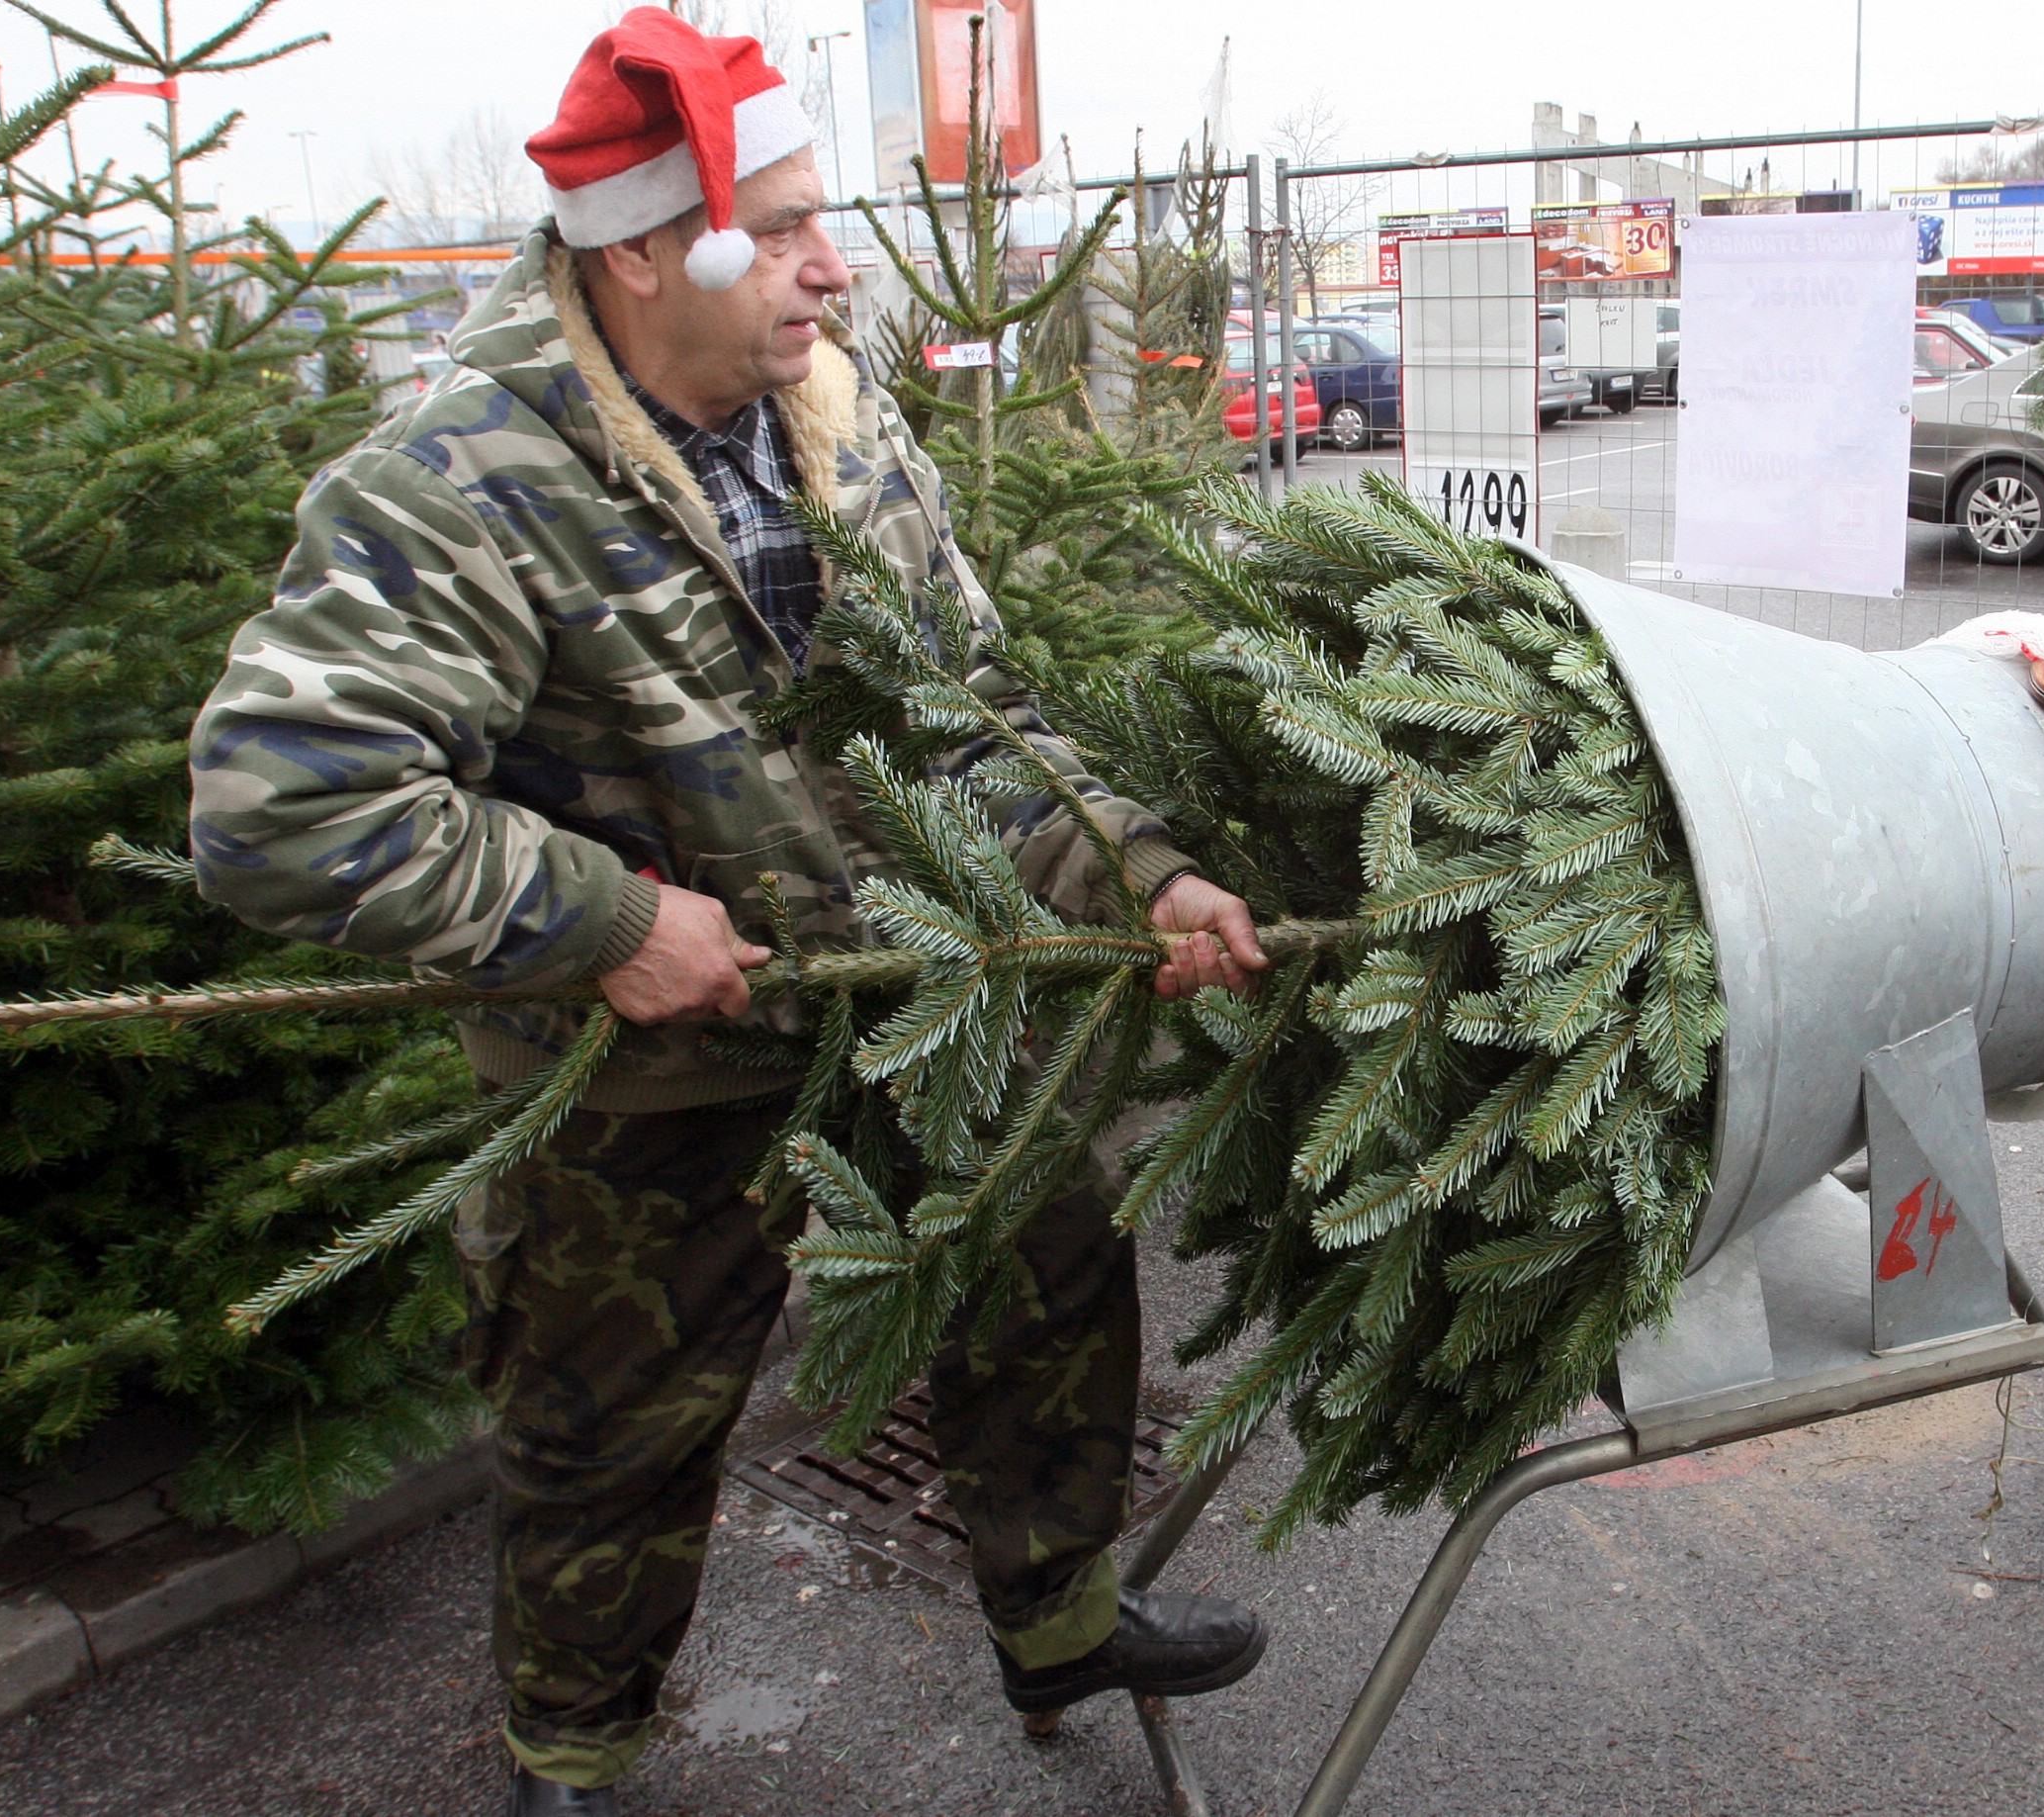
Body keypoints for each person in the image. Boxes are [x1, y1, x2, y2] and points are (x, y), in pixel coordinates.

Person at [187, 14, 1270, 1812]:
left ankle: (1062, 1612)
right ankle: (571, 1749)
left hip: (913, 1000)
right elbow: (276, 804)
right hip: (648, 1080)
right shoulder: (468, 479)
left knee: (1050, 1262)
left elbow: (971, 705)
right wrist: (606, 923)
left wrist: (1139, 868)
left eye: (815, 220)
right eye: (775, 230)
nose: (829, 265)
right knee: (610, 1417)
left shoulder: (841, 422)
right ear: (639, 252)